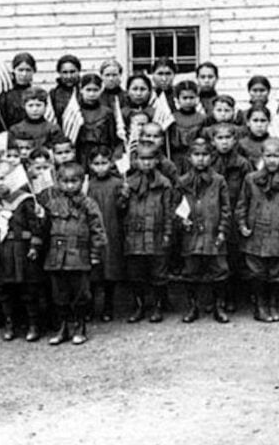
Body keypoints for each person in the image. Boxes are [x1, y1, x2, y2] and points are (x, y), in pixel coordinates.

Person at [40, 162, 107, 346]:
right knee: (59, 295)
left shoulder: (88, 204)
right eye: (65, 181)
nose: (69, 185)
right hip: (56, 257)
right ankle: (63, 328)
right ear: (58, 182)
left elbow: (98, 231)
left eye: (74, 181)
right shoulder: (51, 204)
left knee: (80, 295)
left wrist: (95, 254)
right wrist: (40, 218)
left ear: (81, 181)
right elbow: (44, 230)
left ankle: (80, 327)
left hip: (79, 256)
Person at [0, 160, 46, 341]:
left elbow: (36, 226)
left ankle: (33, 324)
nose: (0, 183)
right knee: (3, 289)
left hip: (20, 250)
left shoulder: (25, 200)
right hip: (0, 251)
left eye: (3, 178)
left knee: (27, 288)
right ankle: (9, 322)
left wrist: (34, 245)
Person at [236, 137, 279, 322]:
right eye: (268, 155)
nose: (272, 160)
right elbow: (242, 204)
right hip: (256, 234)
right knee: (257, 272)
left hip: (277, 234)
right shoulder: (251, 179)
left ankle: (272, 303)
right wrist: (242, 224)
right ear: (262, 156)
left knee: (276, 272)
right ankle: (260, 305)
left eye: (276, 156)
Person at [175, 138, 231, 324]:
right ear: (189, 158)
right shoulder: (182, 181)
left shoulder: (218, 181)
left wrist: (222, 230)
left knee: (219, 270)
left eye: (205, 155)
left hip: (213, 233)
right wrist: (182, 221)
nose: (201, 159)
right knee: (191, 270)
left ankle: (218, 306)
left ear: (211, 157)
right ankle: (193, 307)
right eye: (196, 155)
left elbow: (225, 208)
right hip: (191, 235)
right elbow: (175, 206)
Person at [120, 142, 175, 323]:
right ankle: (139, 306)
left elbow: (168, 211)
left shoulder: (164, 184)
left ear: (157, 160)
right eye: (142, 159)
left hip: (156, 234)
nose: (146, 163)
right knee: (136, 274)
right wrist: (124, 197)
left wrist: (168, 234)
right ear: (135, 161)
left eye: (150, 159)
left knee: (158, 274)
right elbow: (119, 210)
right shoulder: (128, 183)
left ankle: (158, 306)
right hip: (134, 236)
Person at [210, 122, 254, 313]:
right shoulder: (209, 162)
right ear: (213, 141)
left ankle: (234, 297)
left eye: (228, 138)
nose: (224, 142)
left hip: (235, 214)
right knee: (216, 257)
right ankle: (218, 297)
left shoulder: (243, 163)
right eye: (220, 138)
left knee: (235, 257)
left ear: (235, 140)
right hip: (215, 215)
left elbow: (249, 190)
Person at [85, 147, 124, 322]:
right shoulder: (88, 185)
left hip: (112, 228)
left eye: (104, 163)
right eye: (96, 164)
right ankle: (91, 305)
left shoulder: (117, 183)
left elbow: (122, 208)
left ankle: (109, 305)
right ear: (90, 165)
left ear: (111, 163)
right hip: (92, 231)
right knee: (93, 270)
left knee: (110, 269)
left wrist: (124, 196)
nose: (100, 168)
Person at [75, 74, 118, 166]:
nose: (91, 94)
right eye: (88, 90)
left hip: (102, 154)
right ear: (81, 90)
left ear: (100, 90)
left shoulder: (107, 112)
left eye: (95, 90)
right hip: (81, 155)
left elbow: (113, 139)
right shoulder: (75, 111)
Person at [8, 87, 66, 151]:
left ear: (45, 106)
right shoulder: (16, 129)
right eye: (30, 105)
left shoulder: (53, 129)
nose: (35, 109)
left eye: (38, 105)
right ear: (24, 106)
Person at [169, 80, 207, 171]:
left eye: (191, 97)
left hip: (196, 158)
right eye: (184, 98)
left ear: (197, 98)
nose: (188, 101)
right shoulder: (172, 118)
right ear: (177, 99)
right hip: (176, 158)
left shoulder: (202, 118)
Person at [0, 52, 38, 128]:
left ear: (33, 71)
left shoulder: (37, 93)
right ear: (14, 70)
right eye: (20, 70)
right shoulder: (5, 95)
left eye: (28, 70)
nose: (24, 74)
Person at [50, 54, 81, 121]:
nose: (69, 76)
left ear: (78, 71)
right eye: (65, 72)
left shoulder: (84, 92)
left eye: (72, 72)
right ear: (59, 73)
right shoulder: (53, 94)